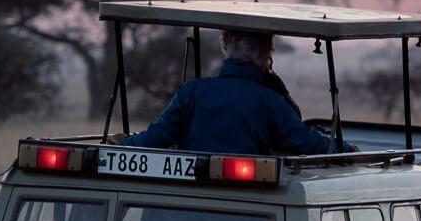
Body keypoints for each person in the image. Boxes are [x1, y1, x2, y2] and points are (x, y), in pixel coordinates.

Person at [112, 29, 349, 155]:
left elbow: (157, 137)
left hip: (191, 206)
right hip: (251, 209)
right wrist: (346, 150)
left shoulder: (192, 91)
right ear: (267, 53)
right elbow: (304, 142)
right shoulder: (270, 101)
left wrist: (125, 143)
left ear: (226, 47)